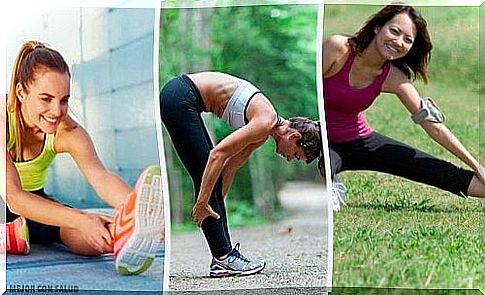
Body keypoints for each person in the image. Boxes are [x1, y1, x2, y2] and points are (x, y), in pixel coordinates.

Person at [1, 41, 164, 276]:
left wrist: (135, 209)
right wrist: (79, 218)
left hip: (34, 203)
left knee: (91, 227)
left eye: (64, 100)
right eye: (46, 99)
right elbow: (13, 196)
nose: (56, 111)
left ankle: (119, 239)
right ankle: (8, 235)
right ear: (20, 92)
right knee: (79, 219)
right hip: (8, 198)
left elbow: (101, 177)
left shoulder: (68, 132)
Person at [321, 4, 485, 210]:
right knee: (325, 165)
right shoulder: (338, 48)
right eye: (394, 31)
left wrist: (477, 166)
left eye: (408, 40)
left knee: (428, 166)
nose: (398, 42)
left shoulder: (394, 77)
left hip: (358, 141)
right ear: (377, 27)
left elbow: (432, 125)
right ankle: (331, 184)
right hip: (320, 141)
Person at [160, 71, 321, 277]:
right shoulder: (265, 121)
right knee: (204, 172)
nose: (290, 159)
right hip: (180, 96)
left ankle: (223, 258)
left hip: (181, 97)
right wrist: (202, 202)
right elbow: (217, 155)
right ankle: (224, 257)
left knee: (209, 178)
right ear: (294, 136)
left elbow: (230, 167)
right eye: (296, 155)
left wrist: (217, 203)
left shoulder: (262, 132)